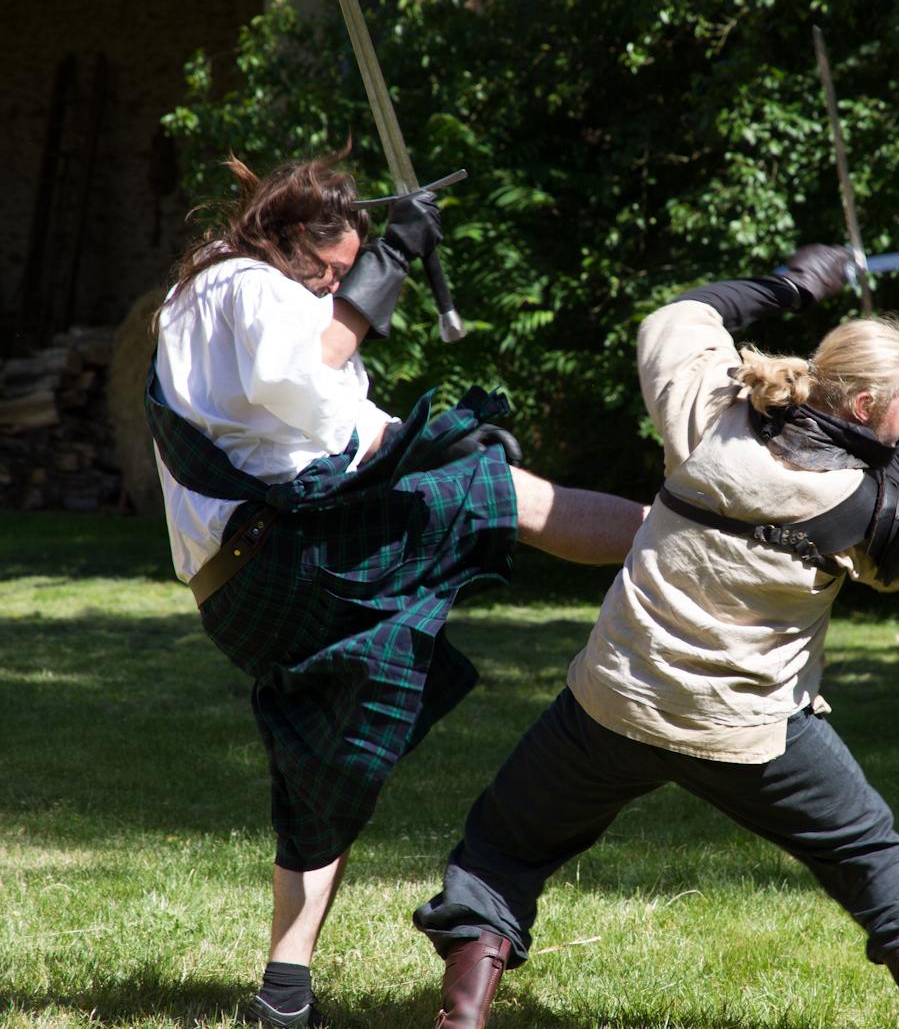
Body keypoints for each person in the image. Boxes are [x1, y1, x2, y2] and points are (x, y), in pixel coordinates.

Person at [146, 149, 648, 1027]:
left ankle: (285, 991)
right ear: (292, 236)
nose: (334, 288)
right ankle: (692, 539)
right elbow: (296, 376)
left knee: (330, 760)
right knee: (500, 497)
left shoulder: (213, 299)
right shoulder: (243, 287)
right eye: (332, 268)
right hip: (285, 556)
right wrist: (389, 265)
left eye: (348, 275)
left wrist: (442, 439)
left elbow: (335, 422)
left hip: (243, 587)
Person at [411, 248, 899, 1029]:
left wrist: (787, 286)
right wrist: (887, 454)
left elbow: (679, 318)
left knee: (500, 847)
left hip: (615, 704)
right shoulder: (872, 507)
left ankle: (462, 1019)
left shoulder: (709, 413)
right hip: (752, 730)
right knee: (874, 858)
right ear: (867, 401)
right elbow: (897, 566)